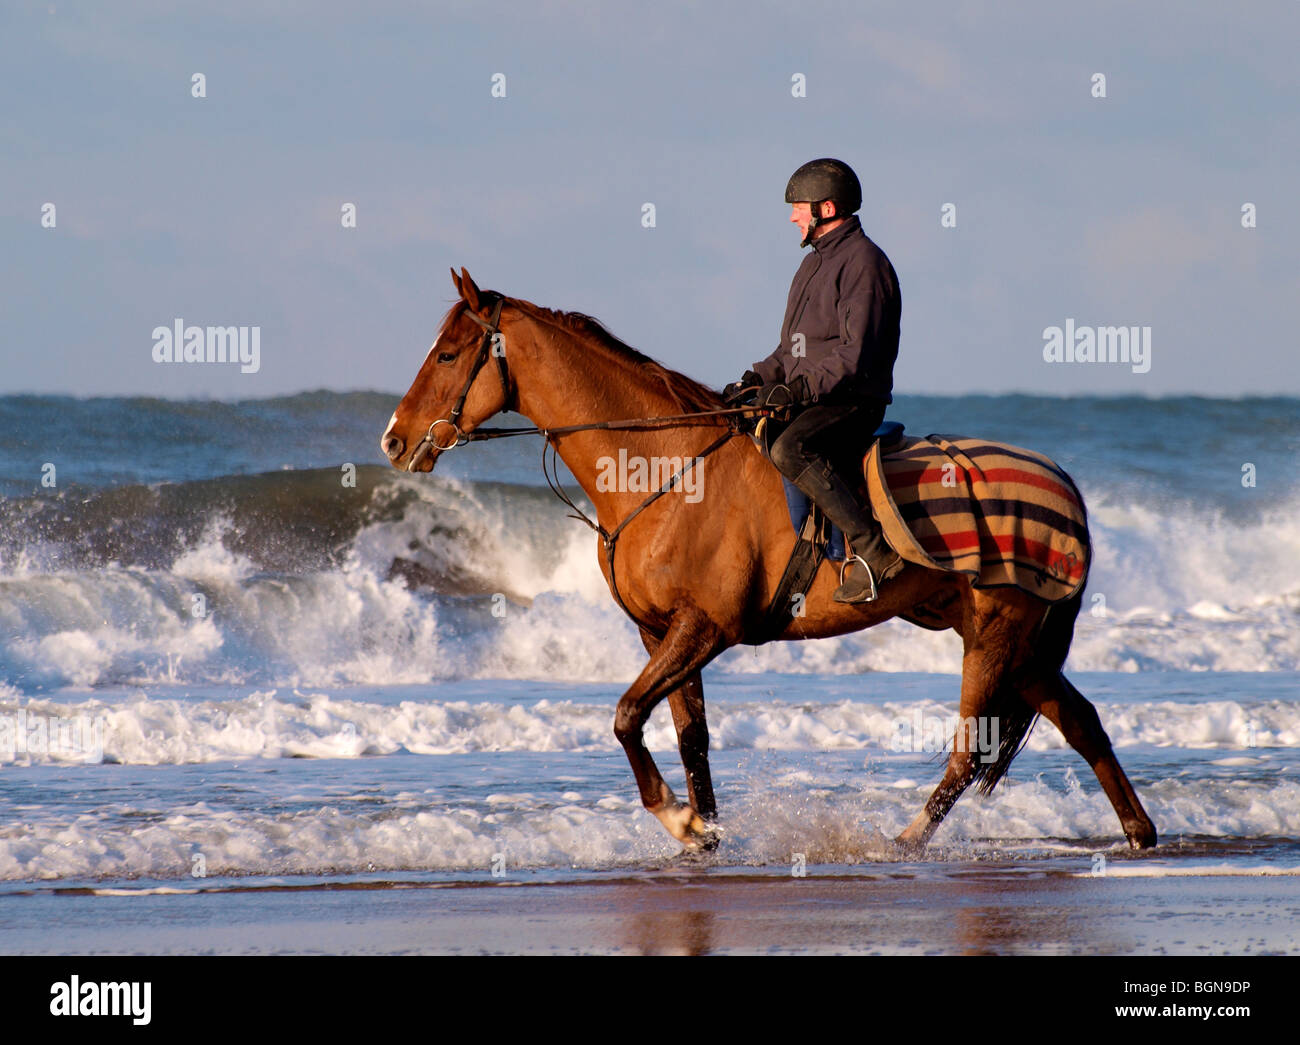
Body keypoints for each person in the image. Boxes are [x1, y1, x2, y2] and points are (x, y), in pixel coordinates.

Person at [723, 158, 903, 603]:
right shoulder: (813, 265)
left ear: (826, 207)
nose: (791, 216)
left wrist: (799, 390)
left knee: (791, 447)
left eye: (798, 207)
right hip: (817, 396)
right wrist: (755, 379)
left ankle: (874, 551)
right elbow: (793, 349)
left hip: (852, 399)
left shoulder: (865, 263)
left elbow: (854, 355)